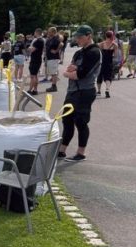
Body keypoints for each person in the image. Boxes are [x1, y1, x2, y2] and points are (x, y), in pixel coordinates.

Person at [58, 25, 101, 162]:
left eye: (80, 37)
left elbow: (81, 74)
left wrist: (71, 72)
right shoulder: (78, 53)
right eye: (77, 37)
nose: (78, 39)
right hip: (72, 91)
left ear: (89, 36)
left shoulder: (94, 52)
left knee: (80, 121)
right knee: (67, 119)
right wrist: (71, 71)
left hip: (85, 91)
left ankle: (81, 152)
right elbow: (69, 70)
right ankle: (61, 150)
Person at [97, 31, 118, 98]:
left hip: (102, 63)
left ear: (105, 36)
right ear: (112, 35)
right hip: (109, 63)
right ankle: (107, 90)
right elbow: (115, 55)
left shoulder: (101, 44)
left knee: (100, 76)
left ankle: (99, 91)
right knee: (108, 77)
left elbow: (99, 54)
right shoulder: (115, 45)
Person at [27, 28, 45, 95]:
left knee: (33, 76)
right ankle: (35, 90)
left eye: (35, 32)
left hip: (35, 59)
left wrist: (29, 48)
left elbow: (32, 49)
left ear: (37, 32)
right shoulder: (41, 40)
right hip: (37, 59)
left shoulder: (38, 41)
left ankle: (30, 90)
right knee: (36, 75)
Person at [45, 27, 62, 92]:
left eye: (49, 32)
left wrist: (56, 50)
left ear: (53, 32)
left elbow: (61, 44)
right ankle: (53, 85)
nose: (48, 33)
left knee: (53, 72)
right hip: (50, 57)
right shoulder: (50, 39)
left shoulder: (55, 38)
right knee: (52, 72)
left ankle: (54, 86)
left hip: (53, 57)